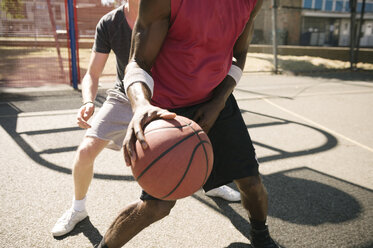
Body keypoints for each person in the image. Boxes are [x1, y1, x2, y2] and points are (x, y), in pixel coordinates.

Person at [97, 0, 280, 247]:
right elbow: (138, 62)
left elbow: (239, 54)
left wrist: (219, 101)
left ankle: (261, 235)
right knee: (157, 205)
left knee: (251, 183)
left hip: (216, 99)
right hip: (167, 110)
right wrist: (141, 105)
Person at [51, 0, 240, 238]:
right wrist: (88, 101)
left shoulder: (173, 12)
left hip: (171, 92)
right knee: (86, 150)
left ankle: (212, 183)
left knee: (198, 141)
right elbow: (93, 73)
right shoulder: (110, 22)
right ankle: (77, 209)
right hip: (126, 94)